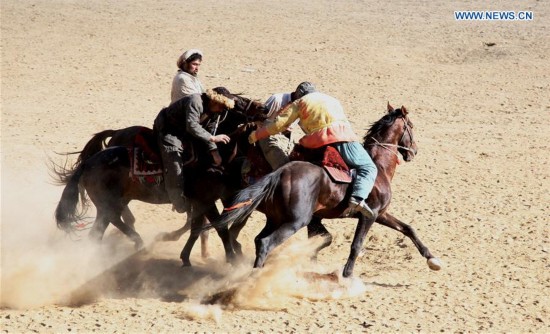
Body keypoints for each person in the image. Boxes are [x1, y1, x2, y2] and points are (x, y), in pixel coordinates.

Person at [248, 87, 378, 219]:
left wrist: (256, 135)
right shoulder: (333, 100)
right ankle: (358, 197)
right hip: (342, 137)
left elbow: (278, 125)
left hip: (313, 143)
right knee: (368, 167)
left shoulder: (299, 103)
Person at [153, 88, 234, 213]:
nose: (222, 110)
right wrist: (213, 138)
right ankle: (178, 201)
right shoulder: (195, 101)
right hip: (168, 130)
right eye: (222, 106)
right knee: (175, 164)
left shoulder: (215, 112)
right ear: (214, 101)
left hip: (184, 132)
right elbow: (192, 126)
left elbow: (208, 129)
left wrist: (214, 151)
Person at [257, 82, 316, 170]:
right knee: (283, 166)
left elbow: (305, 126)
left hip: (286, 138)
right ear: (298, 94)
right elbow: (259, 118)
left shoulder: (303, 106)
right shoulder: (277, 99)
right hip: (268, 134)